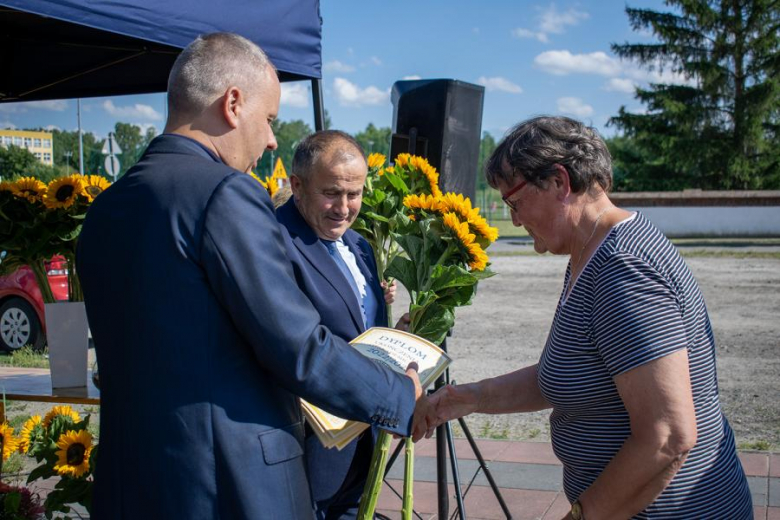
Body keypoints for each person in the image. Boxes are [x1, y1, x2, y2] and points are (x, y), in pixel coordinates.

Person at [77, 33, 430, 520]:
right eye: (269, 120)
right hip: (227, 482)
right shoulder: (224, 193)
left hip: (132, 479)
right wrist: (395, 393)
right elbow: (296, 344)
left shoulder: (106, 208)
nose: (269, 140)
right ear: (233, 103)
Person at [426, 116, 753, 519]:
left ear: (559, 182)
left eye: (514, 202)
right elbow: (578, 372)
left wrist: (582, 515)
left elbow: (667, 436)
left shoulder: (621, 268)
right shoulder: (591, 252)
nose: (513, 220)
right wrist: (472, 397)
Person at [276, 130, 400, 519]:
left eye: (355, 194)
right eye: (331, 193)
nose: (344, 208)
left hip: (362, 440)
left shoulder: (360, 245)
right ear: (297, 185)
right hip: (306, 449)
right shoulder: (272, 241)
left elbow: (360, 325)